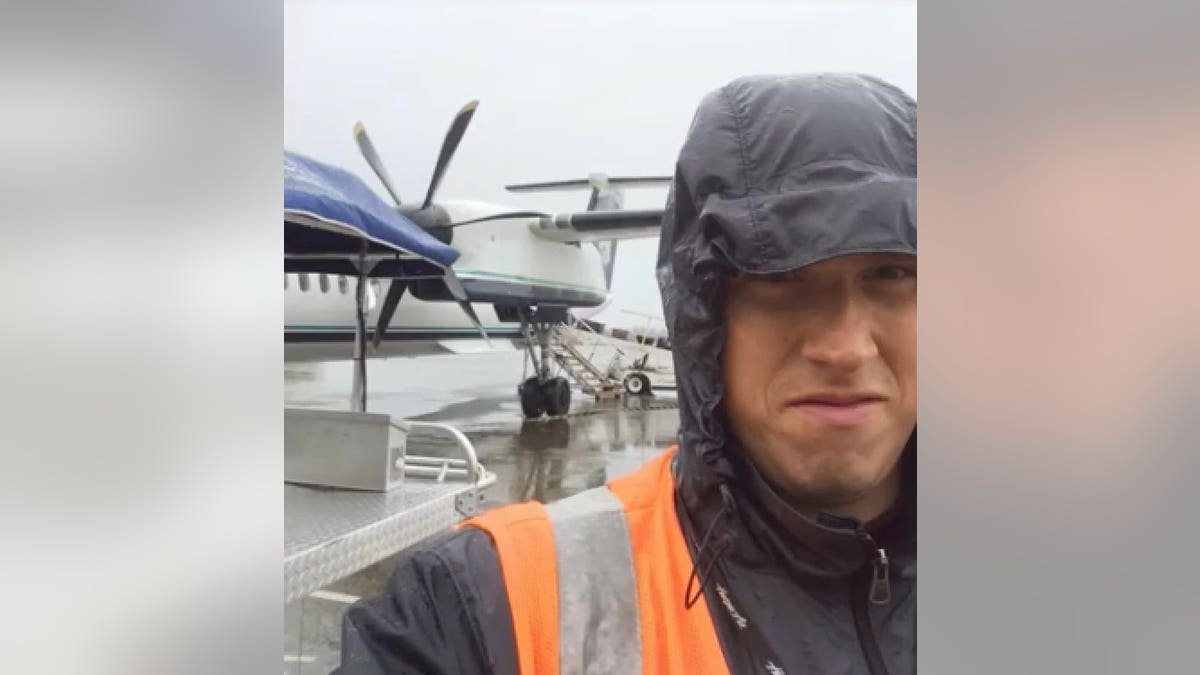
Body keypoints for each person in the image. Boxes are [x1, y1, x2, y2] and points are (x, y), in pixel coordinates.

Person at [337, 72, 917, 675]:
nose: (846, 349)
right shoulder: (476, 606)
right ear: (703, 313)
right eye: (779, 276)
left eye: (895, 273)